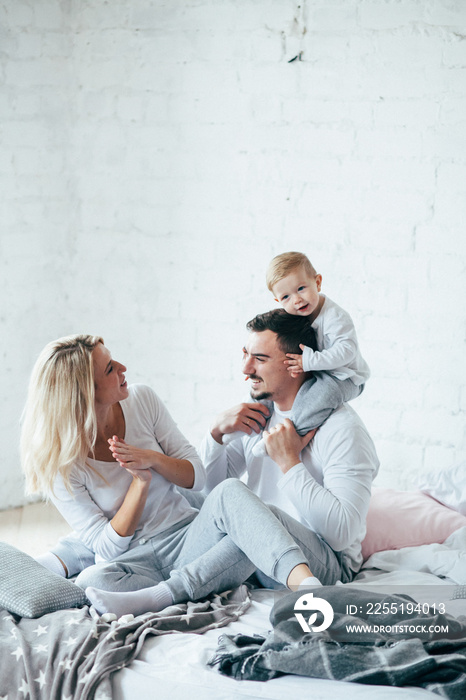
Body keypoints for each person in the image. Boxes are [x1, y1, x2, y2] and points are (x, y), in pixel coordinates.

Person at [20, 334, 318, 617]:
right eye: (111, 369)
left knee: (237, 505)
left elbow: (196, 476)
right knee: (90, 581)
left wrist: (152, 459)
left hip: (186, 535)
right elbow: (107, 548)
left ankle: (304, 588)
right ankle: (62, 560)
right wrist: (140, 482)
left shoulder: (141, 399)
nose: (123, 369)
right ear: (86, 393)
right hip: (133, 559)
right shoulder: (61, 464)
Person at [201, 309, 379, 587]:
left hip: (324, 565)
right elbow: (210, 494)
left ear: (297, 364)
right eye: (245, 354)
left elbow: (342, 534)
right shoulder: (258, 414)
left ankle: (164, 592)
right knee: (203, 511)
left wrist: (289, 463)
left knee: (249, 511)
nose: (246, 370)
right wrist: (215, 434)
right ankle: (164, 590)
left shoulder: (343, 428)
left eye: (259, 359)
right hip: (259, 549)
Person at [227, 252, 370, 456]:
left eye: (301, 288)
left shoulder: (335, 317)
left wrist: (310, 361)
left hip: (343, 376)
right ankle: (244, 428)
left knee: (319, 399)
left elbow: (346, 352)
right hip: (318, 370)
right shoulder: (299, 314)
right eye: (286, 297)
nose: (296, 300)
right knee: (263, 393)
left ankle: (287, 434)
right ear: (278, 300)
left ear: (318, 282)